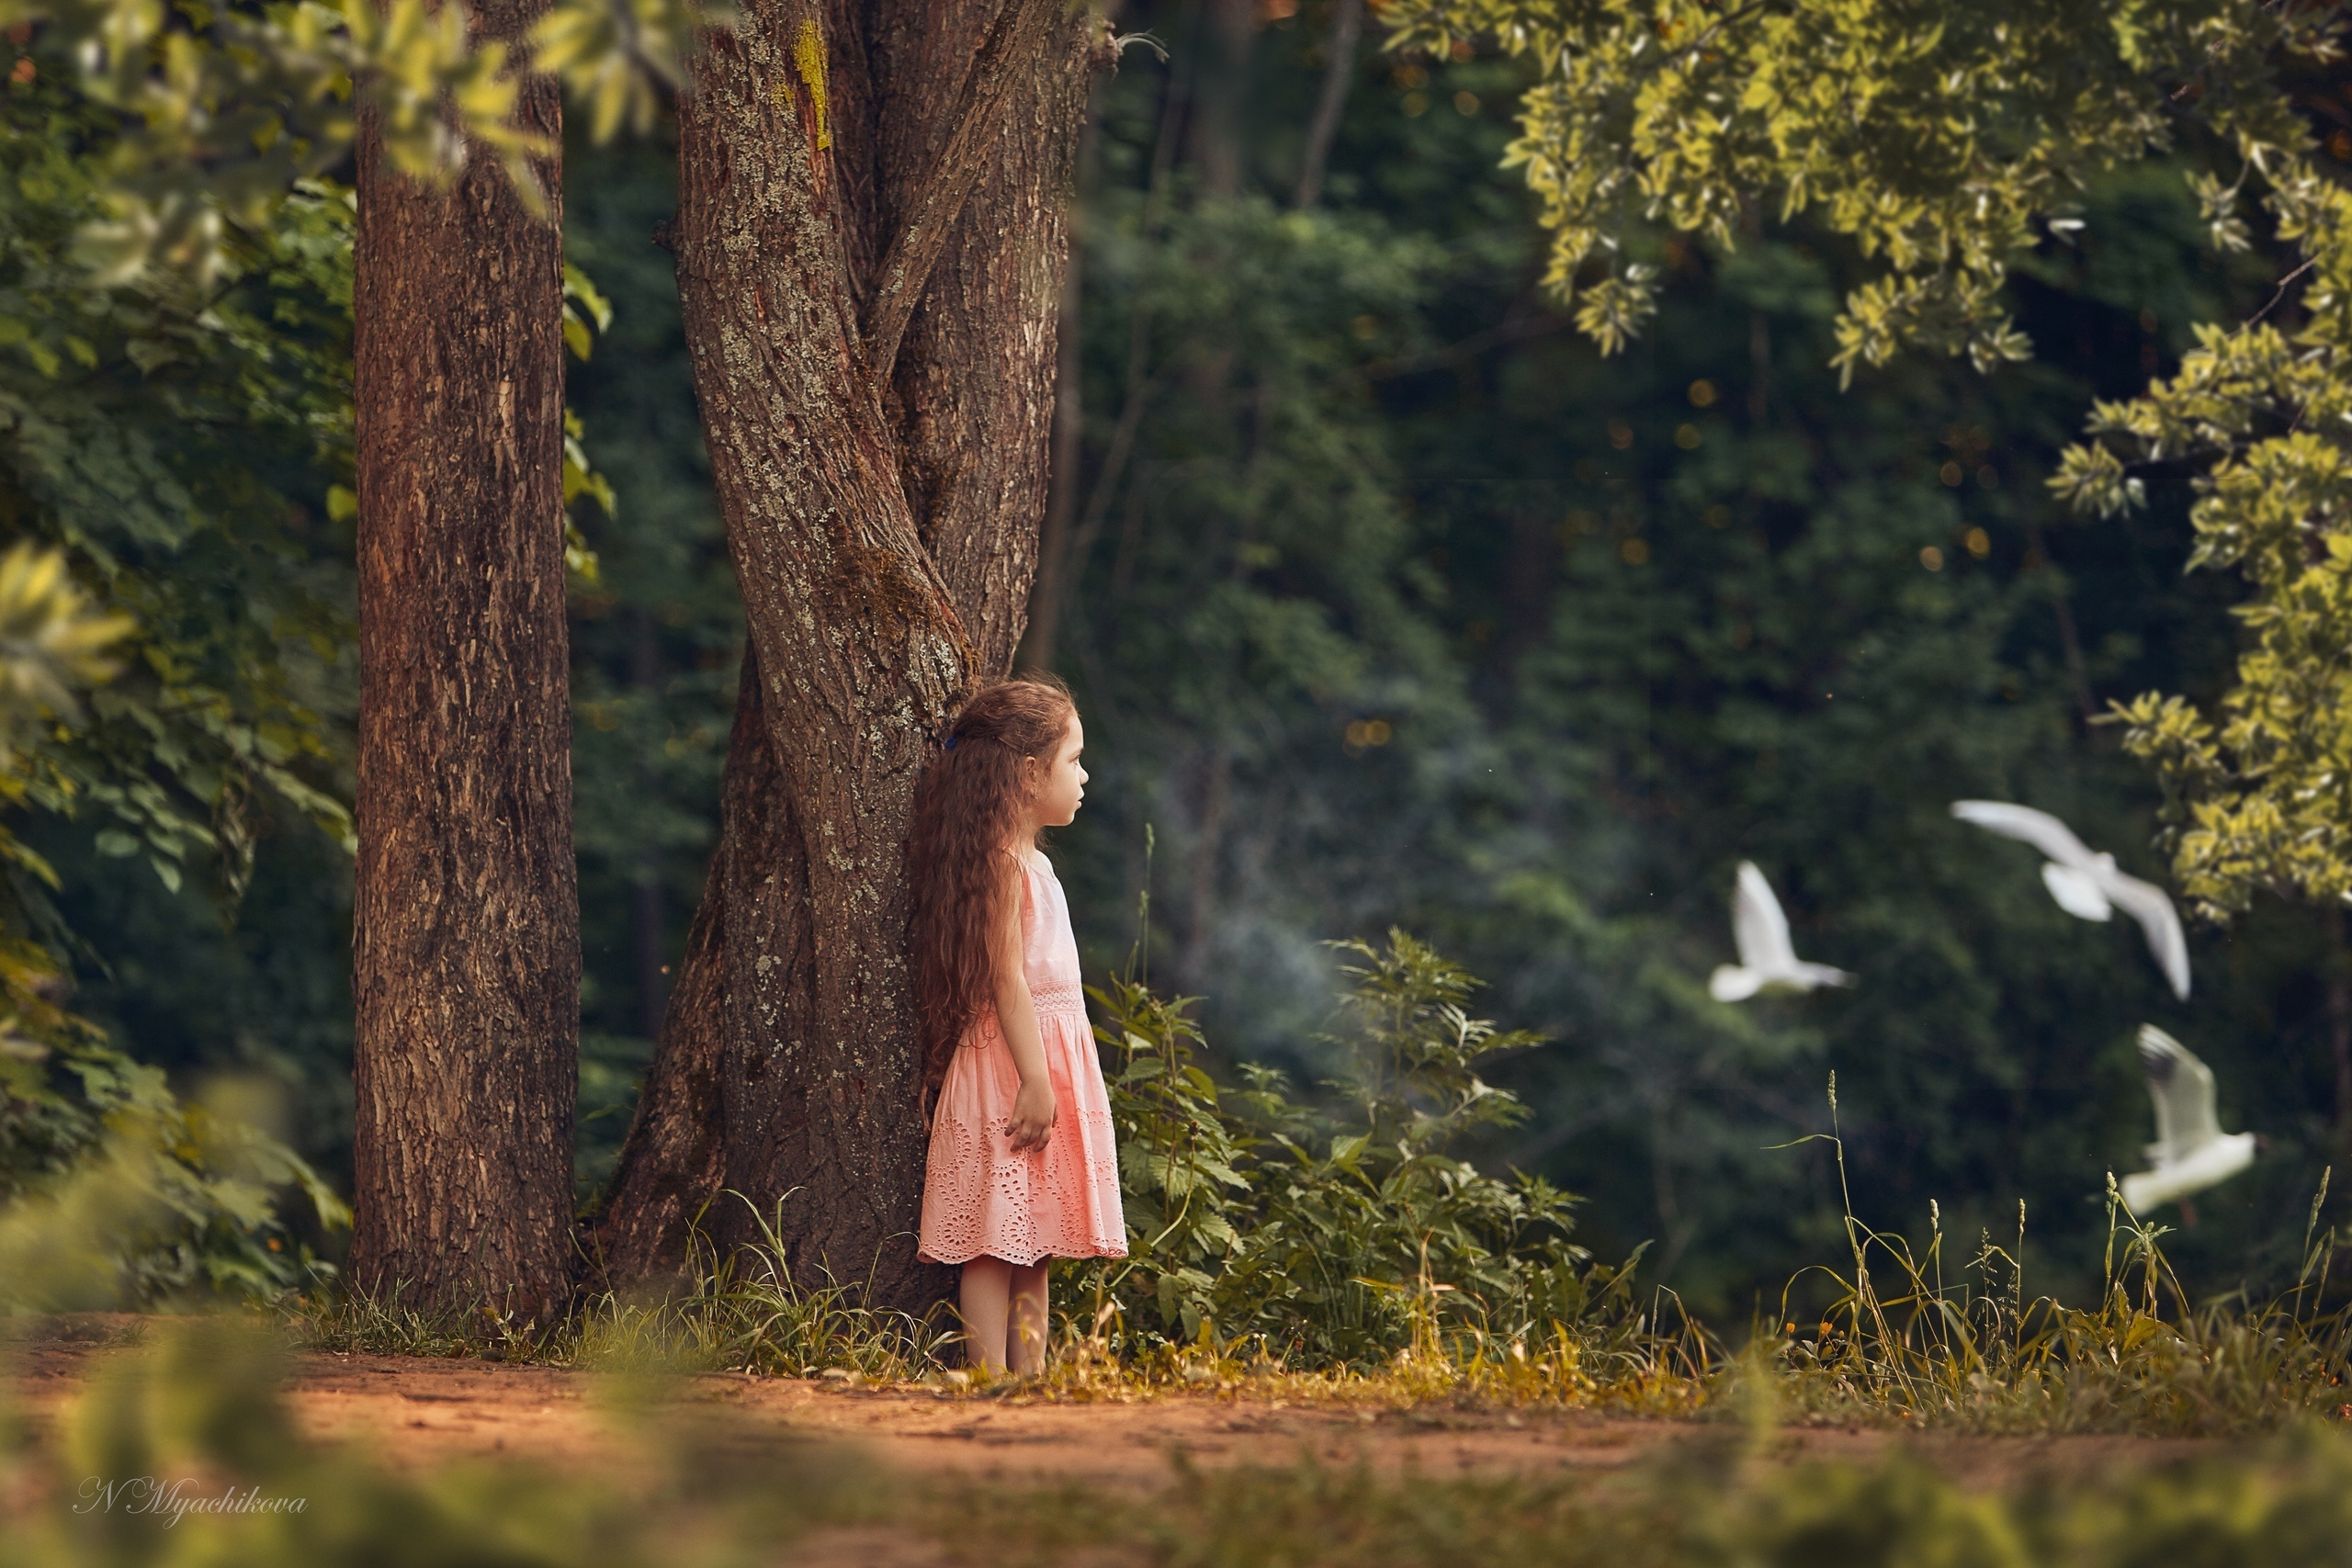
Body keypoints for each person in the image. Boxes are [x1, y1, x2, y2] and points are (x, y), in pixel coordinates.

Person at [910, 676, 1125, 1373]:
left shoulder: (1036, 864)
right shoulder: (1001, 868)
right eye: (1075, 759)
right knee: (992, 1238)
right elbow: (1007, 981)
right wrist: (1035, 1077)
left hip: (1046, 1062)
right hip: (1010, 1067)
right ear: (1031, 774)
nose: (1085, 774)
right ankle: (989, 1376)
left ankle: (1030, 1381)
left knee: (1038, 1238)